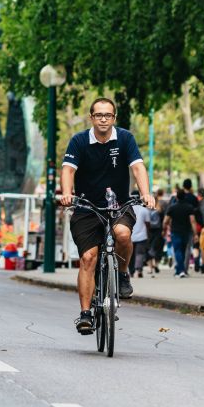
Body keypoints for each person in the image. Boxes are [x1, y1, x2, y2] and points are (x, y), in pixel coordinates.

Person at [59, 98, 155, 335]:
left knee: (122, 234)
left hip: (118, 205)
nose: (103, 119)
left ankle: (122, 275)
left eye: (108, 115)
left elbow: (138, 167)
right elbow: (68, 169)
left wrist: (146, 193)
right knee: (89, 258)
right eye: (99, 115)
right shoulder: (79, 141)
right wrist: (67, 194)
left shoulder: (124, 138)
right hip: (87, 206)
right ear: (91, 117)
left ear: (114, 118)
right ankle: (85, 315)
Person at [164, 188, 199, 278]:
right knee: (183, 251)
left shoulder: (172, 207)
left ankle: (180, 270)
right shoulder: (189, 207)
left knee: (177, 251)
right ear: (185, 196)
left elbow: (165, 221)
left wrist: (164, 230)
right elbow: (193, 221)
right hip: (186, 232)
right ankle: (180, 270)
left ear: (177, 197)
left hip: (175, 232)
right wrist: (195, 233)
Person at [130, 192, 150, 278]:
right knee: (140, 254)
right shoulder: (144, 210)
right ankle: (139, 270)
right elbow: (148, 224)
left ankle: (131, 271)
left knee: (130, 254)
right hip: (142, 236)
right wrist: (148, 234)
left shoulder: (128, 209)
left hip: (130, 236)